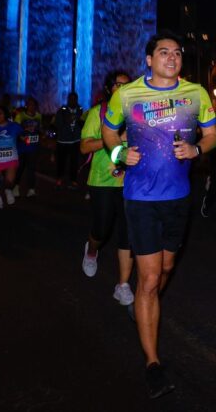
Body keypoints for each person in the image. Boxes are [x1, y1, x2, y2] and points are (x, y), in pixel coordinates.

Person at [101, 31, 216, 399]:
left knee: (166, 269)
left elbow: (212, 135)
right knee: (150, 279)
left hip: (178, 199)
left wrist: (197, 149)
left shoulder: (196, 94)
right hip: (140, 199)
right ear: (149, 60)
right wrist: (119, 154)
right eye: (163, 52)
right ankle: (153, 363)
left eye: (177, 52)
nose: (172, 57)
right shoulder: (127, 94)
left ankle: (143, 303)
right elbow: (108, 131)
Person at [80, 70, 134, 306]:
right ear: (109, 88)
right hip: (102, 180)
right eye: (118, 85)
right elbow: (84, 147)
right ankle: (92, 250)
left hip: (130, 182)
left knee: (128, 233)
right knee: (101, 229)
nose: (122, 89)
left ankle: (123, 285)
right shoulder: (98, 113)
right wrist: (111, 137)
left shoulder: (136, 113)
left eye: (126, 85)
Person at [0, 105, 21, 209]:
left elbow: (24, 134)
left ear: (5, 114)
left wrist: (25, 137)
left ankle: (8, 190)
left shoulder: (14, 126)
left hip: (11, 156)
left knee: (9, 181)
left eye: (0, 113)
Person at [14, 96, 43, 197]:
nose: (32, 107)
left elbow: (40, 129)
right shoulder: (20, 116)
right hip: (22, 148)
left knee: (31, 168)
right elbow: (15, 130)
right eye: (30, 105)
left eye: (34, 105)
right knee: (20, 168)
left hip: (33, 147)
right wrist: (21, 136)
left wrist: (42, 134)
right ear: (26, 106)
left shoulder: (39, 116)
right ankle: (15, 187)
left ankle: (31, 189)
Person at [53, 92, 83, 189]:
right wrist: (67, 121)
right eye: (71, 99)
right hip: (63, 141)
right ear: (68, 100)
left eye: (75, 99)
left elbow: (82, 123)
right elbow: (57, 124)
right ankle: (59, 178)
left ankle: (73, 180)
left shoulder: (80, 110)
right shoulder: (62, 110)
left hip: (75, 141)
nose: (73, 101)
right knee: (61, 161)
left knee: (74, 162)